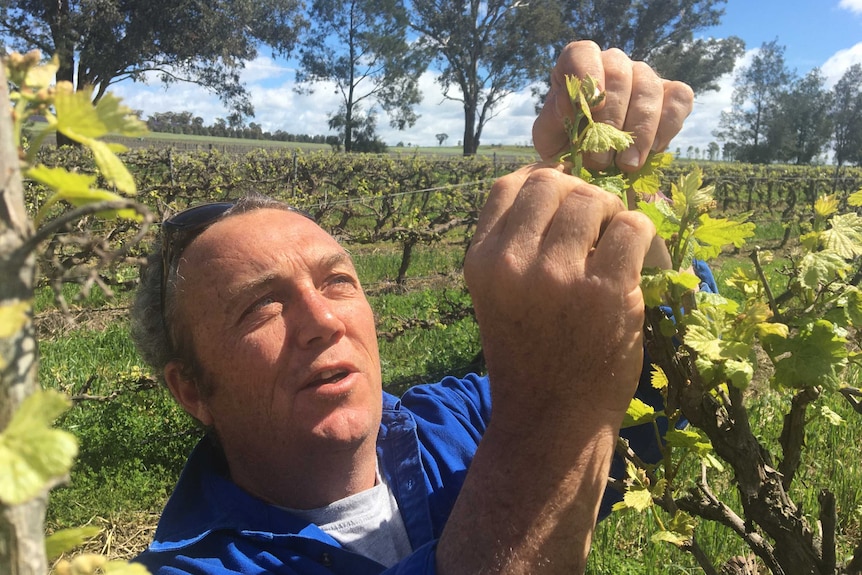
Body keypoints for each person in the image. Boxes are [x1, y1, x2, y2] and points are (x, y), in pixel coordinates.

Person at [130, 41, 705, 575]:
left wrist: (618, 205)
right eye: (260, 306)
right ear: (191, 390)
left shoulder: (457, 422)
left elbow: (668, 403)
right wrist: (554, 411)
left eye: (336, 282)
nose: (324, 322)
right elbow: (561, 414)